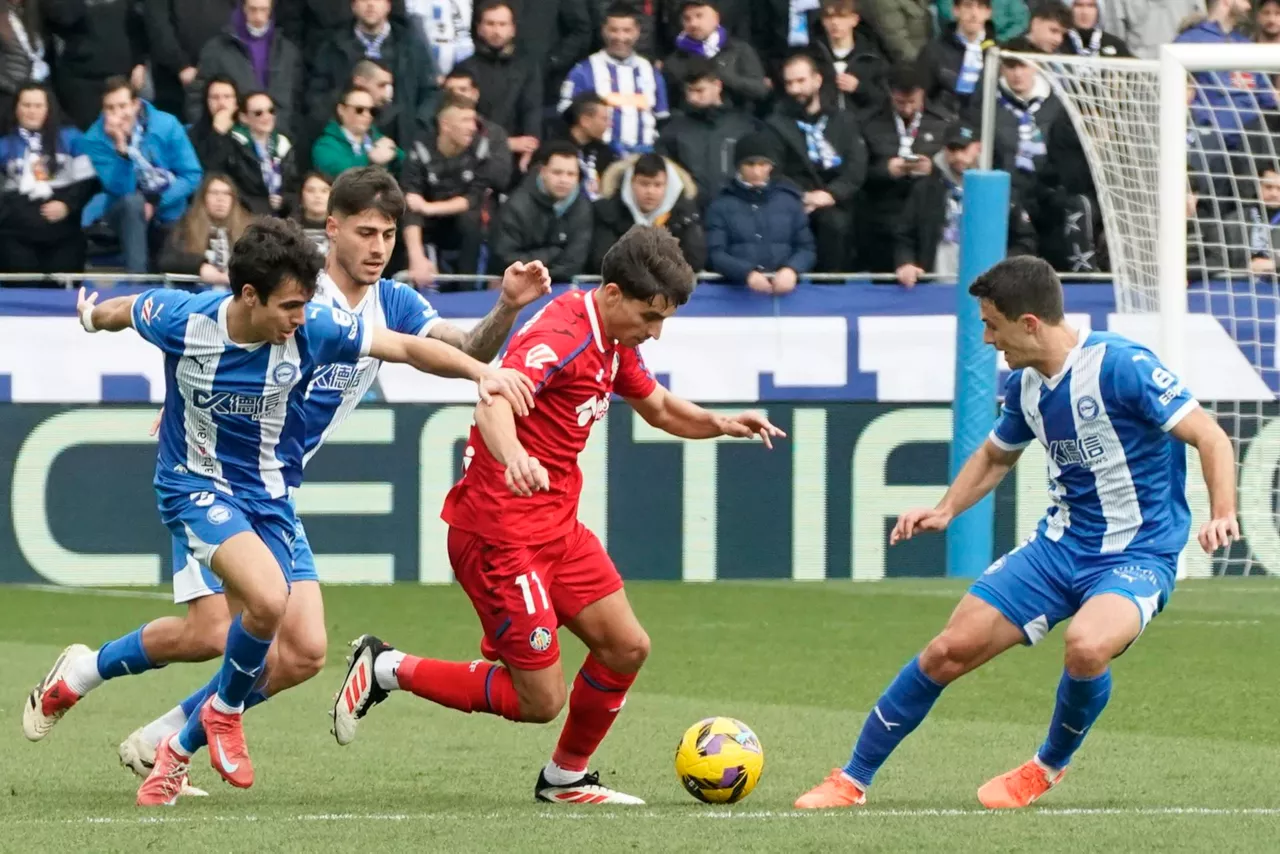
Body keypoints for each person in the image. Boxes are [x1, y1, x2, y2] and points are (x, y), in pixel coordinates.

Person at [21, 168, 551, 801]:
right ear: (331, 229)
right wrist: (91, 318)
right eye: (366, 231)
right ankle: (145, 701)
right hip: (201, 478)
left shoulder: (376, 310)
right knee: (225, 629)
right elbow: (128, 310)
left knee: (299, 653)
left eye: (389, 233)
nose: (379, 246)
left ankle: (157, 727)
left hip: (271, 486)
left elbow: (439, 347)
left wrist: (491, 345)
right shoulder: (281, 287)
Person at [330, 225, 786, 805]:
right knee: (539, 701)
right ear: (615, 295)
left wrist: (721, 422)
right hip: (499, 535)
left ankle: (566, 778)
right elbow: (493, 399)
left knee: (626, 647)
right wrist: (515, 455)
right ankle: (387, 666)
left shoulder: (617, 341)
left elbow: (661, 408)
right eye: (651, 317)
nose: (656, 333)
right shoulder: (560, 336)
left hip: (556, 529)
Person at [794, 255, 1239, 810]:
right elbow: (995, 456)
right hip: (1057, 549)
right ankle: (851, 780)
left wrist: (1223, 511)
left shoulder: (1121, 365)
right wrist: (945, 509)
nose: (986, 338)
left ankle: (1046, 766)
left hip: (1139, 553)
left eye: (991, 324)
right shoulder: (1027, 386)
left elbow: (1211, 436)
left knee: (1087, 645)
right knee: (945, 652)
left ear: (1029, 323)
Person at [0, 82, 97, 276]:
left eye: (38, 106)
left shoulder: (72, 138)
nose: (32, 111)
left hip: (64, 232)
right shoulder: (4, 144)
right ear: (16, 108)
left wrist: (67, 205)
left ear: (48, 108)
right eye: (26, 105)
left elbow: (88, 182)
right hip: (15, 234)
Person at [558, 3, 669, 155]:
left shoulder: (651, 72)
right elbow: (568, 119)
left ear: (637, 32)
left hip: (644, 160)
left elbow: (662, 120)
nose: (620, 37)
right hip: (600, 158)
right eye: (613, 30)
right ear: (603, 30)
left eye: (627, 30)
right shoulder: (583, 71)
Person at [157, 174, 252, 284]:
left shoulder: (249, 230)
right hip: (198, 295)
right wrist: (199, 267)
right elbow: (168, 261)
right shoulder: (186, 226)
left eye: (227, 194)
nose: (221, 199)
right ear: (203, 198)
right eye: (214, 193)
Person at [311, 85, 404, 179]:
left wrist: (395, 155)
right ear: (341, 110)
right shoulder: (325, 145)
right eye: (359, 110)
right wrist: (370, 159)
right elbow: (341, 174)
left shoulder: (378, 139)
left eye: (372, 111)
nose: (367, 115)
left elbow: (406, 166)